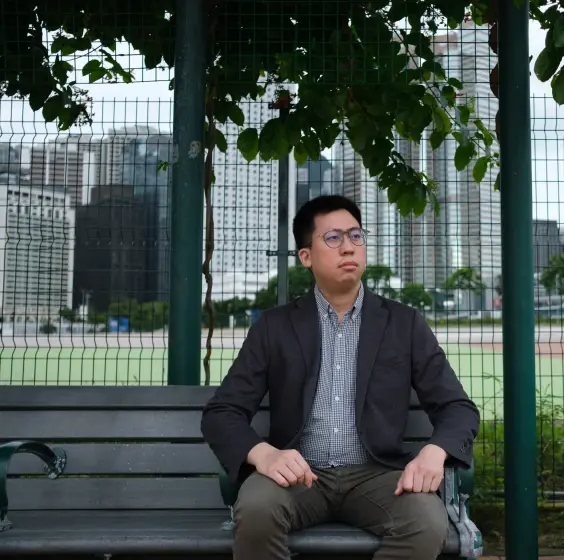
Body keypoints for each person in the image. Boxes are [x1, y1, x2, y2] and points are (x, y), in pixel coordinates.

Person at [201, 194, 480, 560]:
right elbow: (222, 413)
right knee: (256, 510)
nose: (348, 247)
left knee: (426, 520)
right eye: (333, 238)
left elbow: (458, 408)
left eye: (356, 236)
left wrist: (434, 451)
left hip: (377, 476)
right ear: (306, 257)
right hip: (298, 474)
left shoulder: (403, 324)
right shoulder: (275, 327)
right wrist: (264, 454)